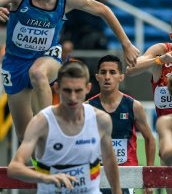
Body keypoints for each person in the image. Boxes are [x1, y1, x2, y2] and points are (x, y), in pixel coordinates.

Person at [0, 0, 139, 143]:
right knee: (25, 136)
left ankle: (50, 131)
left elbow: (103, 10)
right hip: (15, 63)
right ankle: (42, 160)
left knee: (37, 74)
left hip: (47, 57)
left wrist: (126, 44)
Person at [7, 61, 122, 193]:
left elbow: (108, 159)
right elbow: (14, 168)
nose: (73, 97)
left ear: (88, 88)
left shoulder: (100, 120)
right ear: (57, 88)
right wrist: (46, 178)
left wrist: (117, 191)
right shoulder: (42, 122)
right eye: (67, 90)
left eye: (78, 90)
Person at [87, 54, 156, 194]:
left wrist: (149, 177)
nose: (107, 77)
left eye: (112, 72)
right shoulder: (87, 108)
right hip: (96, 173)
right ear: (97, 76)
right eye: (103, 72)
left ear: (121, 77)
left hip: (126, 173)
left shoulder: (133, 106)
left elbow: (150, 139)